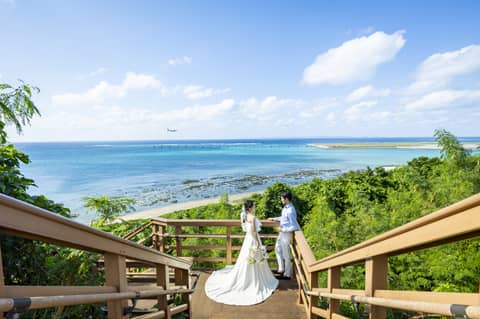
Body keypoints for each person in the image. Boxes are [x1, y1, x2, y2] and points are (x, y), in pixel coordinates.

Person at [204, 200, 279, 305]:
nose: (255, 206)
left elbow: (248, 230)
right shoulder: (252, 217)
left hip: (247, 240)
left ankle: (249, 278)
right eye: (254, 205)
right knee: (253, 259)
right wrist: (257, 242)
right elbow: (253, 231)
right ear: (249, 208)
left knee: (248, 260)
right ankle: (253, 280)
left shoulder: (244, 216)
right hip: (253, 239)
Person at [268, 190, 300, 280]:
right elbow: (283, 218)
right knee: (277, 248)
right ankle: (281, 269)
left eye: (282, 198)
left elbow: (294, 226)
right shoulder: (286, 208)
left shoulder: (290, 210)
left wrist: (283, 229)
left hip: (286, 234)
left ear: (286, 199)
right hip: (282, 233)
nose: (281, 200)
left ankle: (287, 274)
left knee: (286, 254)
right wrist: (274, 219)